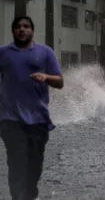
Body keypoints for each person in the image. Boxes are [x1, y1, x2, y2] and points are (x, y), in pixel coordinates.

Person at [0, 16, 64, 200]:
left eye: (26, 26)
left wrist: (46, 77)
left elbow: (60, 82)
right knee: (17, 163)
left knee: (34, 167)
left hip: (38, 120)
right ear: (13, 31)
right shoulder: (3, 53)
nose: (22, 29)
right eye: (18, 27)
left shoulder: (45, 52)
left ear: (32, 30)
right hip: (10, 120)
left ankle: (30, 195)